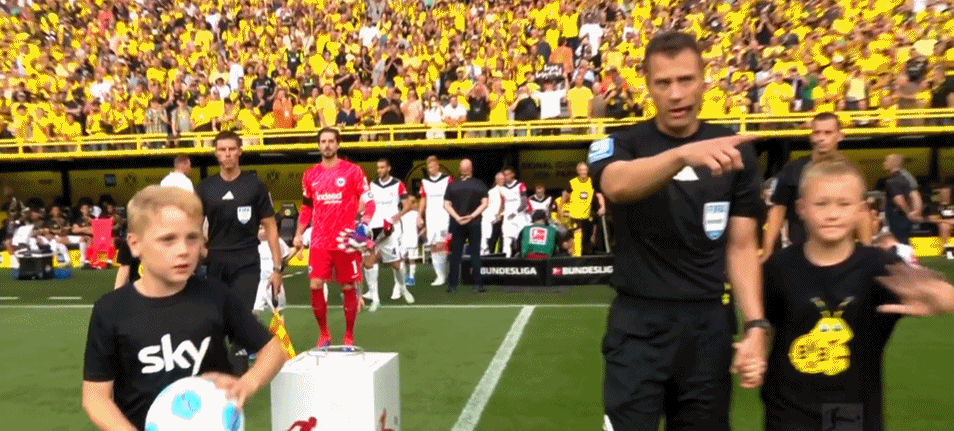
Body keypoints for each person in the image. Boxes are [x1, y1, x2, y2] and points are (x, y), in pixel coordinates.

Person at [587, 31, 766, 430]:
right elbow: (617, 184)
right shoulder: (622, 143)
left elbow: (741, 248)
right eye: (663, 82)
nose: (676, 94)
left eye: (686, 80)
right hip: (638, 325)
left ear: (704, 80)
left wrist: (755, 324)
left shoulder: (735, 150)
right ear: (648, 87)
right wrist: (682, 155)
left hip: (708, 326)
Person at [760, 158, 954, 431]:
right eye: (821, 204)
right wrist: (754, 348)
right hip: (788, 408)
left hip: (851, 409)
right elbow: (765, 326)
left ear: (862, 210)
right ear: (801, 208)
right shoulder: (779, 267)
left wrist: (936, 297)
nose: (832, 214)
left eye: (844, 204)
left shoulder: (879, 266)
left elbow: (945, 297)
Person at [82, 186, 286, 431]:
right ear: (135, 245)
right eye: (168, 239)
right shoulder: (111, 310)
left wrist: (248, 383)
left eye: (192, 238)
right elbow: (95, 397)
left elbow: (273, 350)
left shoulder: (215, 295)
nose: (184, 250)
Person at [196, 131, 283, 373]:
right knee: (215, 321)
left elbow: (270, 226)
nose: (227, 154)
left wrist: (277, 268)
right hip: (215, 262)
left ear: (240, 152)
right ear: (216, 154)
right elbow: (194, 224)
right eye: (222, 150)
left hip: (246, 262)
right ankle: (215, 374)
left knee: (239, 319)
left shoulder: (254, 186)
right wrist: (199, 248)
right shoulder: (205, 188)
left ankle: (238, 381)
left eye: (232, 149)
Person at [293, 127, 375, 349]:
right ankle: (324, 334)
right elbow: (307, 207)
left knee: (348, 287)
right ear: (318, 145)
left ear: (338, 144)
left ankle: (348, 336)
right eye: (323, 141)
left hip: (345, 241)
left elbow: (369, 203)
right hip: (320, 241)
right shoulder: (310, 175)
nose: (327, 145)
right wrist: (299, 233)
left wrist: (364, 225)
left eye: (331, 141)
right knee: (315, 284)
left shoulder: (353, 171)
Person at [762, 113, 871, 260]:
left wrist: (867, 253)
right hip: (801, 255)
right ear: (811, 136)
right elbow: (777, 211)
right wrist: (768, 251)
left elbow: (862, 213)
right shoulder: (793, 170)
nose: (821, 138)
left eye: (828, 133)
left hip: (842, 254)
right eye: (817, 133)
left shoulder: (850, 172)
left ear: (840, 136)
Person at [363, 158, 415, 312]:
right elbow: (365, 203)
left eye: (382, 167)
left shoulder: (398, 184)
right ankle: (375, 299)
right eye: (378, 167)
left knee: (396, 265)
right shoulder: (372, 185)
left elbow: (407, 205)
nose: (379, 170)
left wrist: (399, 215)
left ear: (388, 168)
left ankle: (402, 287)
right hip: (374, 227)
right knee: (369, 262)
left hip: (391, 229)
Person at [443, 158, 488, 293]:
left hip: (457, 223)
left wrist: (457, 217)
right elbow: (485, 203)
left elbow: (446, 204)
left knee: (455, 254)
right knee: (475, 253)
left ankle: (452, 285)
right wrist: (472, 216)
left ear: (460, 170)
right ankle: (478, 284)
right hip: (474, 223)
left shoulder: (452, 185)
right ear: (471, 169)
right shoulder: (479, 184)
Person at [417, 155, 453, 286]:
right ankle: (440, 275)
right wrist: (419, 215)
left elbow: (452, 196)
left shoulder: (447, 179)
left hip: (444, 216)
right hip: (430, 217)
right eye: (429, 167)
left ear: (437, 165)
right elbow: (423, 199)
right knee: (432, 245)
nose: (431, 169)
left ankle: (445, 273)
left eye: (433, 166)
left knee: (442, 244)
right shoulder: (425, 182)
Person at [253, 224, 295, 315]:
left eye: (262, 229)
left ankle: (280, 324)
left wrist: (283, 263)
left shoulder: (277, 242)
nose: (260, 232)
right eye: (259, 229)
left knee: (277, 312)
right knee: (254, 310)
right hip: (260, 283)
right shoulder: (257, 245)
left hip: (273, 283)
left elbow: (287, 254)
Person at [567, 162, 606, 256]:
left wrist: (603, 207)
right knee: (578, 234)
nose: (583, 172)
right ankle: (577, 257)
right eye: (581, 170)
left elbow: (599, 195)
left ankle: (582, 254)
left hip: (587, 215)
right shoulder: (572, 182)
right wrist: (565, 209)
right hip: (575, 215)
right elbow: (565, 196)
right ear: (578, 171)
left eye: (585, 170)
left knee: (587, 238)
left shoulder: (591, 182)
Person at [882, 154, 921, 245]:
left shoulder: (893, 180)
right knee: (904, 244)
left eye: (886, 161)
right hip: (903, 220)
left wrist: (909, 213)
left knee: (899, 245)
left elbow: (899, 200)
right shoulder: (905, 177)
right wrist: (916, 212)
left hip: (896, 219)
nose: (884, 163)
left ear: (893, 163)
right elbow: (915, 195)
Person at [499, 166, 529, 258]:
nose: (506, 176)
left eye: (508, 174)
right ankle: (506, 259)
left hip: (519, 216)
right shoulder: (502, 188)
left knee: (520, 239)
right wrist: (500, 213)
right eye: (505, 175)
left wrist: (515, 212)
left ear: (513, 174)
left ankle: (522, 258)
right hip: (508, 217)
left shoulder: (520, 185)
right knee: (506, 238)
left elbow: (524, 203)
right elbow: (503, 203)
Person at [480, 172, 504, 255]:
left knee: (504, 242)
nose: (502, 180)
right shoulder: (491, 192)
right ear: (496, 180)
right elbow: (487, 206)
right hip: (494, 220)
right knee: (492, 241)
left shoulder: (509, 190)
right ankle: (488, 254)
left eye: (503, 179)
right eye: (500, 179)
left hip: (506, 218)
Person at [928, 186, 954, 259]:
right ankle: (947, 248)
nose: (946, 195)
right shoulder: (935, 206)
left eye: (947, 193)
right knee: (944, 225)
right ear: (940, 194)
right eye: (943, 193)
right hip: (942, 225)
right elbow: (933, 219)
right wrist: (949, 221)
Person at [400, 196, 420, 287]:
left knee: (411, 259)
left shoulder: (416, 214)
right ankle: (405, 275)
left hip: (412, 239)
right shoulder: (401, 214)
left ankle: (411, 278)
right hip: (403, 239)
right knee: (402, 258)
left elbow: (422, 225)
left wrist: (418, 234)